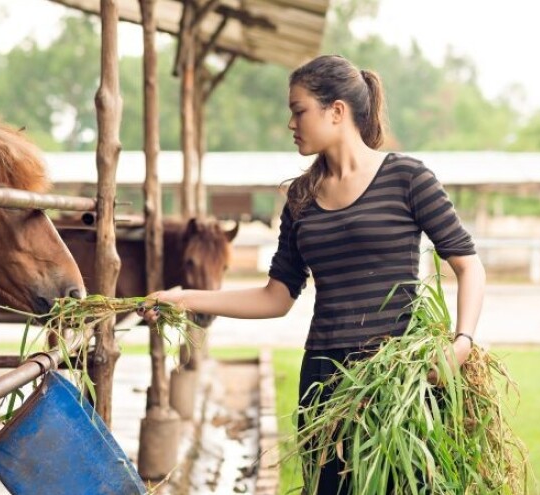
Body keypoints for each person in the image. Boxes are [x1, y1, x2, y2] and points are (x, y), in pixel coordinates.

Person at [138, 54, 486, 494]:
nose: (291, 123)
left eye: (298, 110)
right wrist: (185, 298)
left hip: (400, 377)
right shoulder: (301, 197)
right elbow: (276, 296)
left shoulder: (408, 178)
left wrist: (462, 343)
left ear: (336, 111)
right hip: (324, 378)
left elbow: (467, 263)